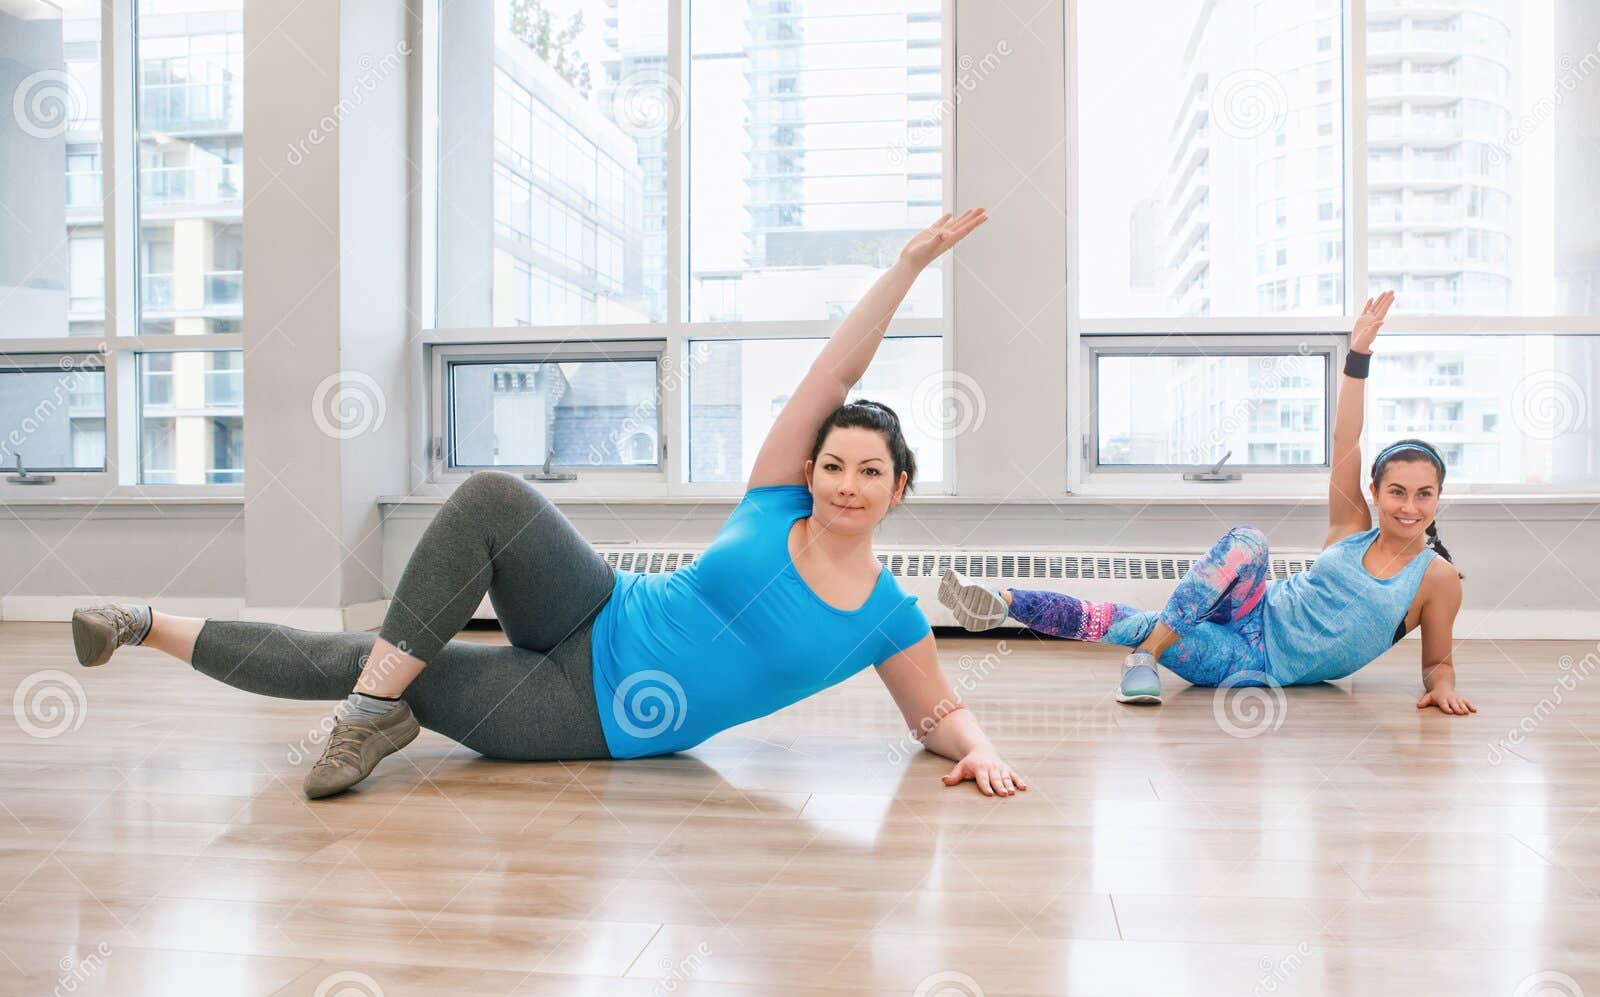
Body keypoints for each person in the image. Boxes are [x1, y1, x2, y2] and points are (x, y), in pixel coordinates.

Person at [71, 209, 1031, 798]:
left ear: (899, 489)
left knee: (365, 662)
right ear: (811, 467)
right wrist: (904, 269)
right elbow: (836, 368)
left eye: (870, 472)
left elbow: (936, 711)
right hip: (596, 603)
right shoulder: (776, 497)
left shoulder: (889, 618)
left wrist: (977, 749)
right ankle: (371, 710)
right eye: (835, 464)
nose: (845, 484)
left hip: (589, 712)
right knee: (493, 494)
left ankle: (147, 623)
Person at [940, 290, 1476, 715]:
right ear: (1377, 495)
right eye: (1397, 492)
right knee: (1248, 541)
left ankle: (1003, 600)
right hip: (1253, 604)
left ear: (1438, 500)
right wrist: (1357, 355)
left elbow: (1437, 664)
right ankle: (1143, 659)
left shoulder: (1437, 579)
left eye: (1423, 494)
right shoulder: (1352, 525)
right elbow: (1346, 443)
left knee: (1129, 623)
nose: (1409, 507)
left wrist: (1442, 688)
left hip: (1254, 663)